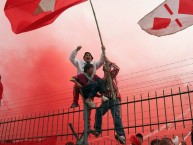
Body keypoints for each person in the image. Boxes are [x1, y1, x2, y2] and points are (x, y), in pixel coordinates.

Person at [90, 59, 126, 144]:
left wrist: (109, 62)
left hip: (114, 99)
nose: (107, 67)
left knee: (116, 116)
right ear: (103, 69)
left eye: (109, 66)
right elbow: (99, 89)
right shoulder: (102, 79)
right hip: (107, 100)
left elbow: (117, 68)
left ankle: (121, 135)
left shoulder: (112, 75)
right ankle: (97, 130)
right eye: (106, 66)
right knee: (99, 111)